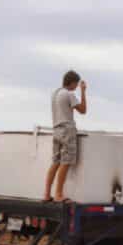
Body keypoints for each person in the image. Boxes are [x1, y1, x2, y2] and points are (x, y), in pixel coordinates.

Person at [44, 70, 87, 202]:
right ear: (73, 82)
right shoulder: (69, 94)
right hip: (67, 130)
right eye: (76, 84)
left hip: (56, 129)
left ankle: (46, 194)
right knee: (66, 162)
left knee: (55, 162)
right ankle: (58, 194)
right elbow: (83, 110)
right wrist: (83, 91)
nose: (76, 86)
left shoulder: (55, 93)